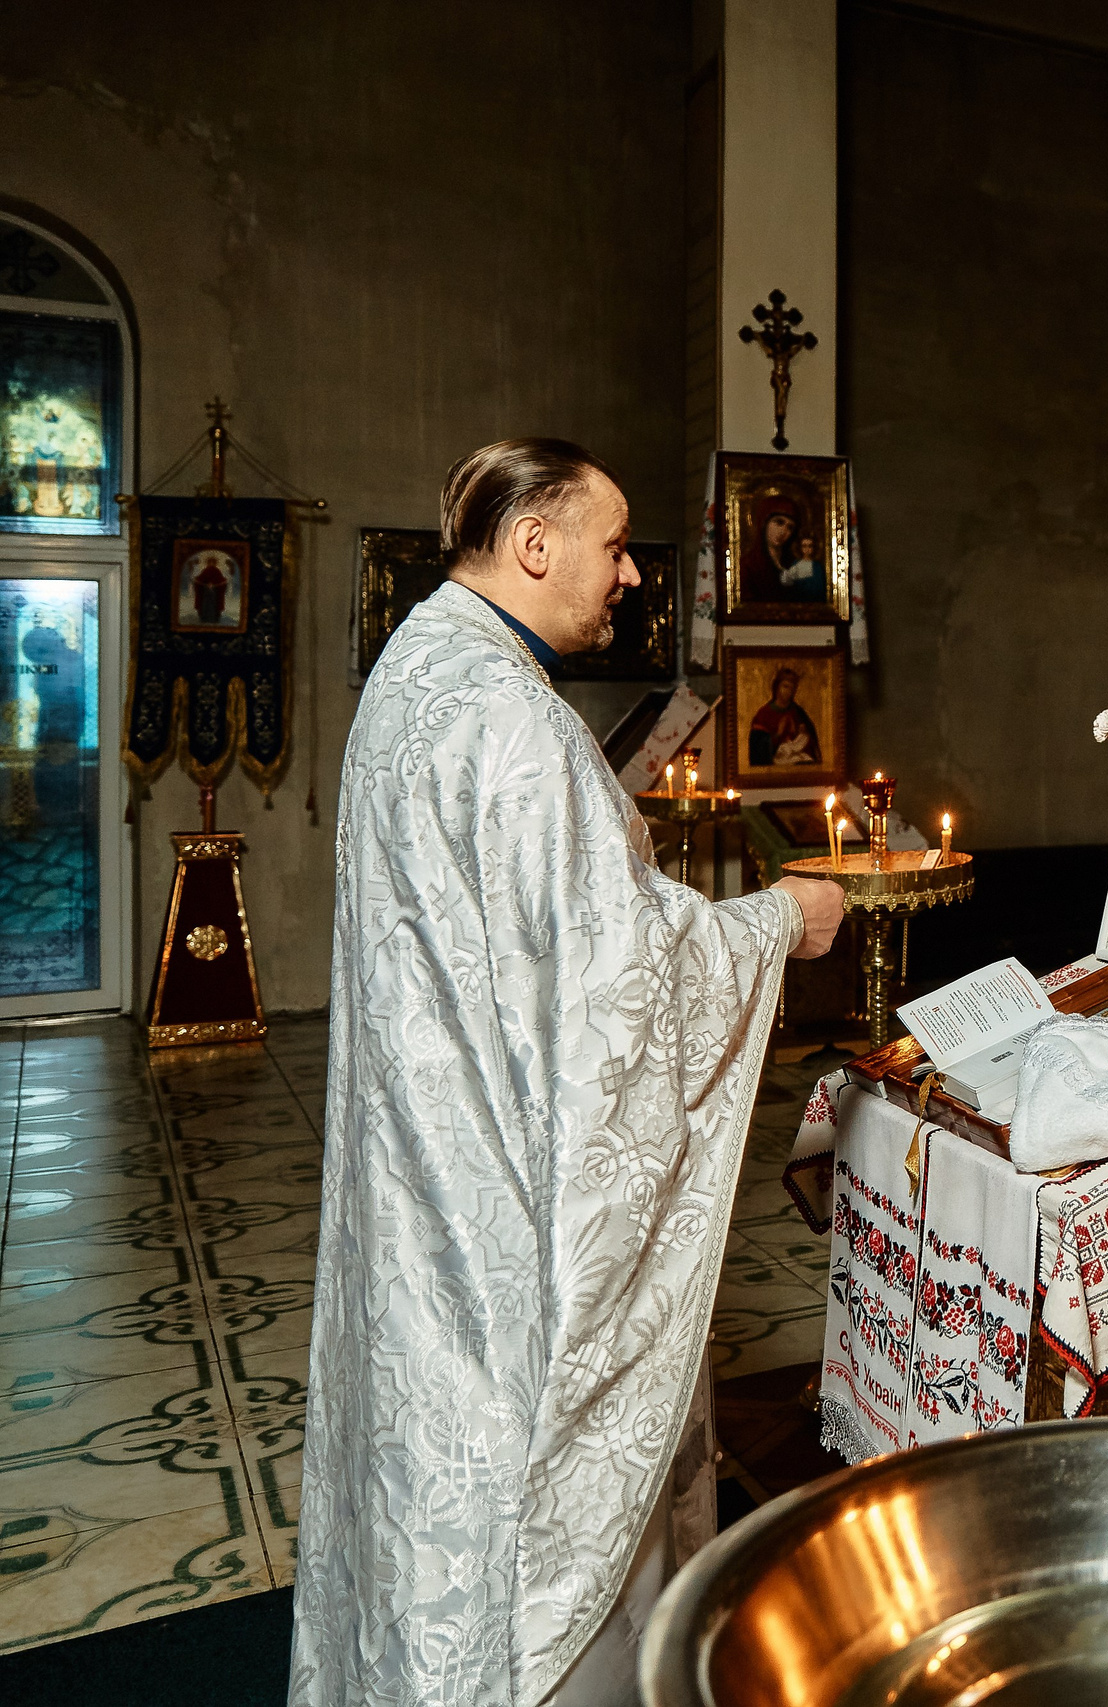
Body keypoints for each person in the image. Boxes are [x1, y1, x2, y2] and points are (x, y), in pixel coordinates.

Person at [289, 438, 844, 1707]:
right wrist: (781, 923)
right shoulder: (515, 721)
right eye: (613, 542)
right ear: (534, 544)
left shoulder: (418, 669)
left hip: (423, 1160)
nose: (632, 573)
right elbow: (622, 990)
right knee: (515, 1494)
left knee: (423, 1481)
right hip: (498, 1196)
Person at [749, 667, 824, 767]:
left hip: (797, 757)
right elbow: (758, 750)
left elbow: (812, 745)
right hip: (776, 761)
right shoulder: (763, 714)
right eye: (785, 687)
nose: (789, 692)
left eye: (792, 689)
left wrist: (805, 733)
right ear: (776, 687)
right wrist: (778, 735)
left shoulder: (798, 712)